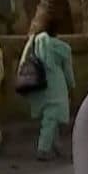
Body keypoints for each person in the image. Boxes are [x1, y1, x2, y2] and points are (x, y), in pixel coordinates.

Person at [27, 17, 76, 161]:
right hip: (56, 85)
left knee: (48, 116)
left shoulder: (36, 43)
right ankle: (43, 149)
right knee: (52, 117)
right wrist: (71, 86)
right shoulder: (63, 48)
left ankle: (56, 145)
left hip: (38, 83)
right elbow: (68, 71)